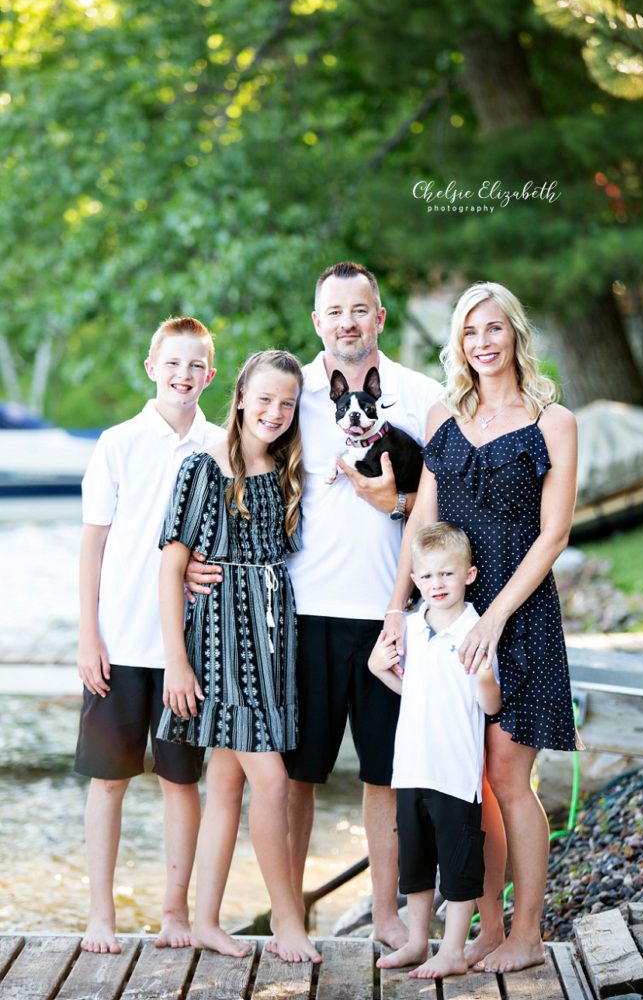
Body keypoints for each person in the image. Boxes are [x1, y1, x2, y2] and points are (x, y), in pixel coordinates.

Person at [186, 261, 442, 948]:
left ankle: (385, 914)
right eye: (334, 312)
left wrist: (402, 502)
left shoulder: (421, 395)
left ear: (379, 318)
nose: (347, 322)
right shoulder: (292, 391)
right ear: (316, 321)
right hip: (294, 618)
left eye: (360, 310)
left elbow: (454, 498)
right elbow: (222, 454)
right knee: (296, 776)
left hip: (391, 619)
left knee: (385, 775)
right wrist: (187, 559)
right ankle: (291, 915)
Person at [383, 281, 580, 973]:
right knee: (465, 776)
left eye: (494, 329)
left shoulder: (552, 422)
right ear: (459, 343)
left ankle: (527, 933)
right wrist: (397, 613)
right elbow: (422, 524)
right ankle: (486, 930)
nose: (483, 342)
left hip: (516, 616)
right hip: (445, 615)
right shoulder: (444, 415)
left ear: (514, 335)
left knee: (505, 775)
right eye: (470, 332)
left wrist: (493, 618)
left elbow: (553, 535)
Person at [157, 350, 321, 963]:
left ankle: (204, 919)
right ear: (240, 399)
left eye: (287, 403)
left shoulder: (287, 473)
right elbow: (171, 569)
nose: (274, 412)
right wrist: (176, 659)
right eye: (265, 399)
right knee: (272, 781)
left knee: (227, 782)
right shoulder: (204, 470)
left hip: (272, 643)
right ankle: (287, 919)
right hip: (221, 641)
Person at [74, 316, 221, 954]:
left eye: (196, 366)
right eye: (173, 363)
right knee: (107, 781)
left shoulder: (221, 445)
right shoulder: (117, 442)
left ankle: (174, 912)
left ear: (210, 376)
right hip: (120, 641)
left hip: (186, 651)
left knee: (181, 781)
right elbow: (93, 545)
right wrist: (88, 636)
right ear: (151, 368)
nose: (183, 375)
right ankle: (100, 916)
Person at [369, 522, 501, 979]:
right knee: (416, 863)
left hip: (455, 773)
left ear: (468, 574)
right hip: (411, 768)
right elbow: (413, 691)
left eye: (446, 574)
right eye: (426, 577)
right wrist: (377, 668)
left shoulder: (475, 629)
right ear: (415, 579)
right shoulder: (409, 625)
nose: (436, 585)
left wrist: (484, 677)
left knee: (459, 865)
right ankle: (417, 941)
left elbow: (490, 704)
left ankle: (452, 950)